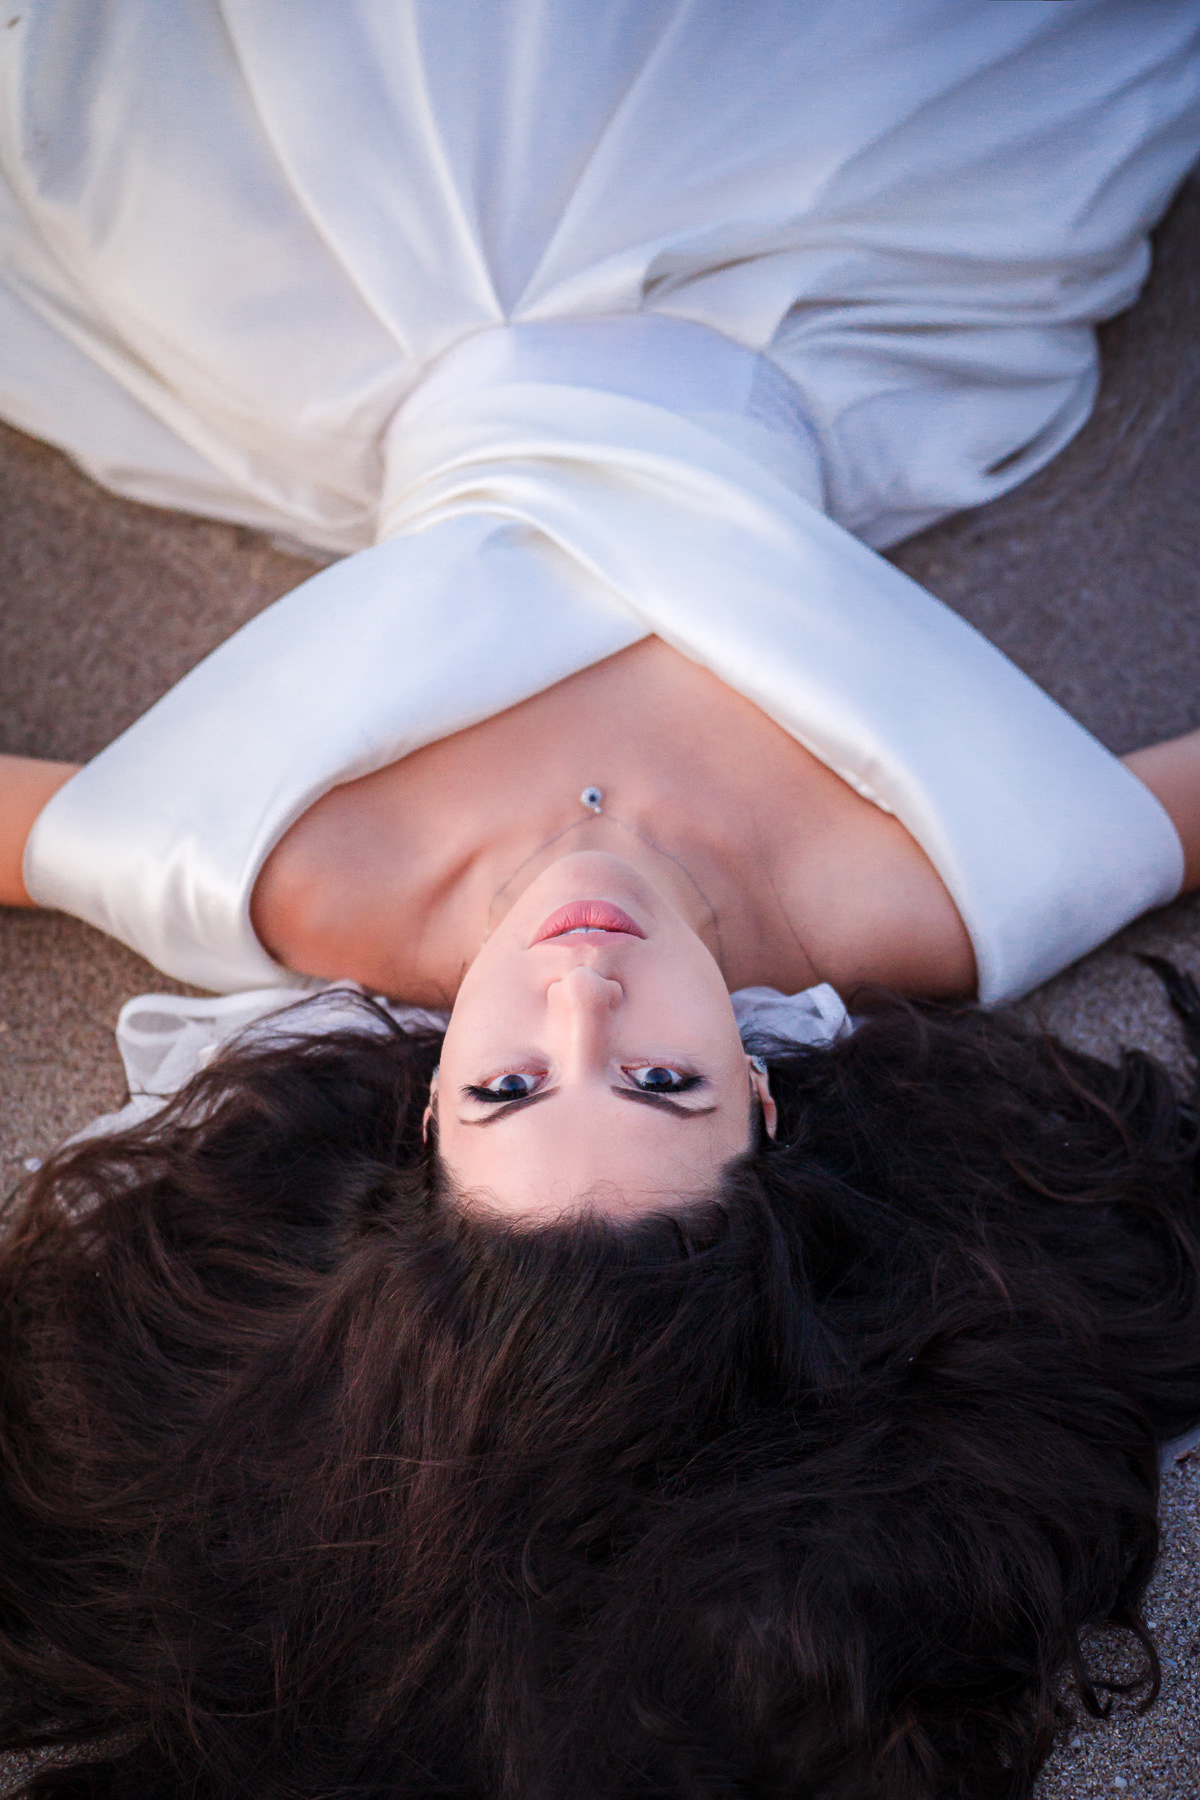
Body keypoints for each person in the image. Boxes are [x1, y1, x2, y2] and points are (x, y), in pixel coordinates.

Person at [1, 3, 1200, 1794]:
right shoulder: (919, 899)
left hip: (363, 288)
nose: (582, 994)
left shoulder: (308, 883)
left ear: (418, 1108)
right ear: (768, 1102)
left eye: (507, 1088)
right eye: (659, 1083)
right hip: (844, 275)